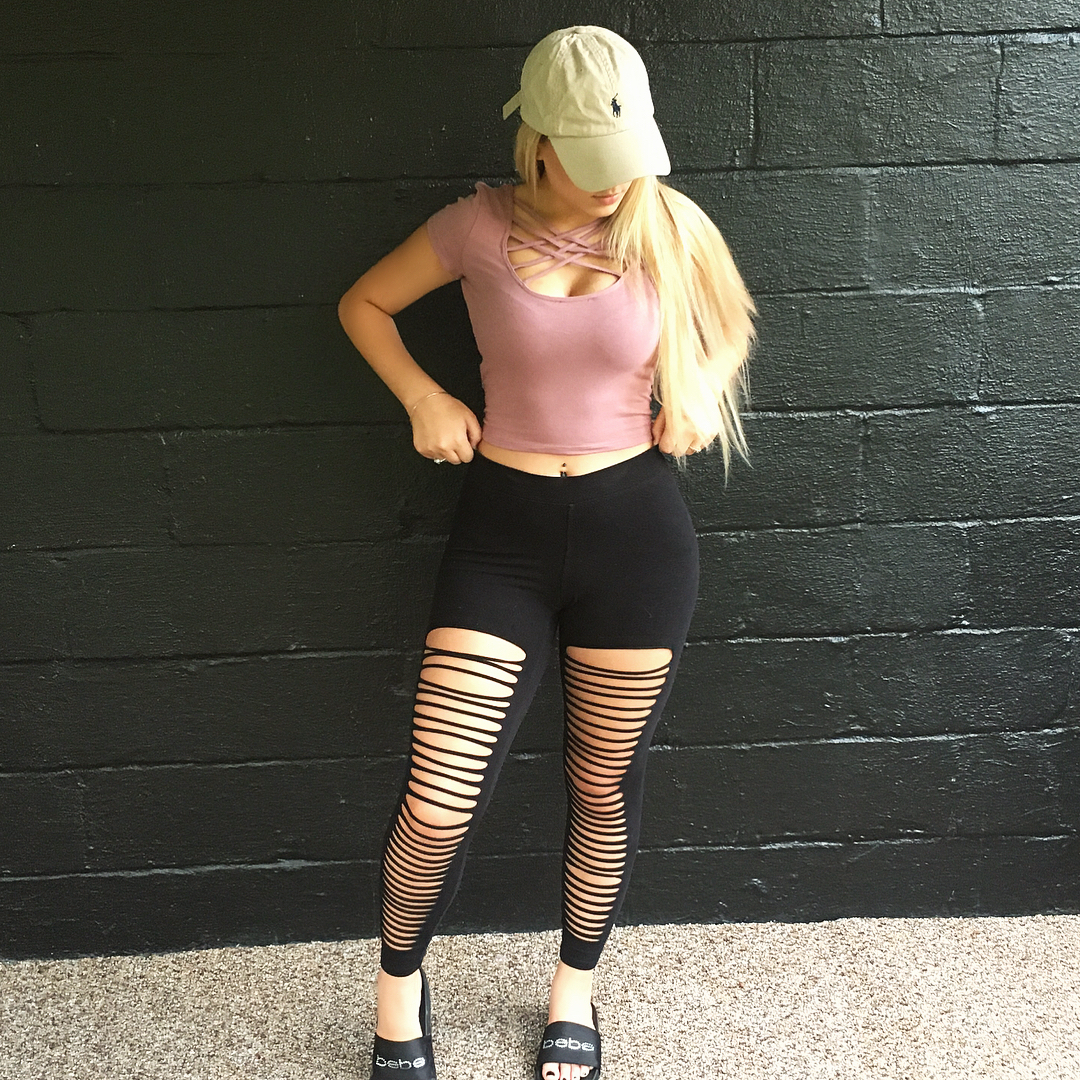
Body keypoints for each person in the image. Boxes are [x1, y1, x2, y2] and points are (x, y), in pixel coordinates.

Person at [337, 25, 757, 1080]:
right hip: (503, 539)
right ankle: (398, 991)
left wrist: (696, 391)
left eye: (629, 157)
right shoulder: (474, 228)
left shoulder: (669, 223)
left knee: (603, 784)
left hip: (636, 540)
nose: (617, 183)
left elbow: (732, 326)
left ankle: (575, 990)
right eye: (593, 160)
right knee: (438, 797)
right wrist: (423, 397)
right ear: (536, 141)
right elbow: (364, 304)